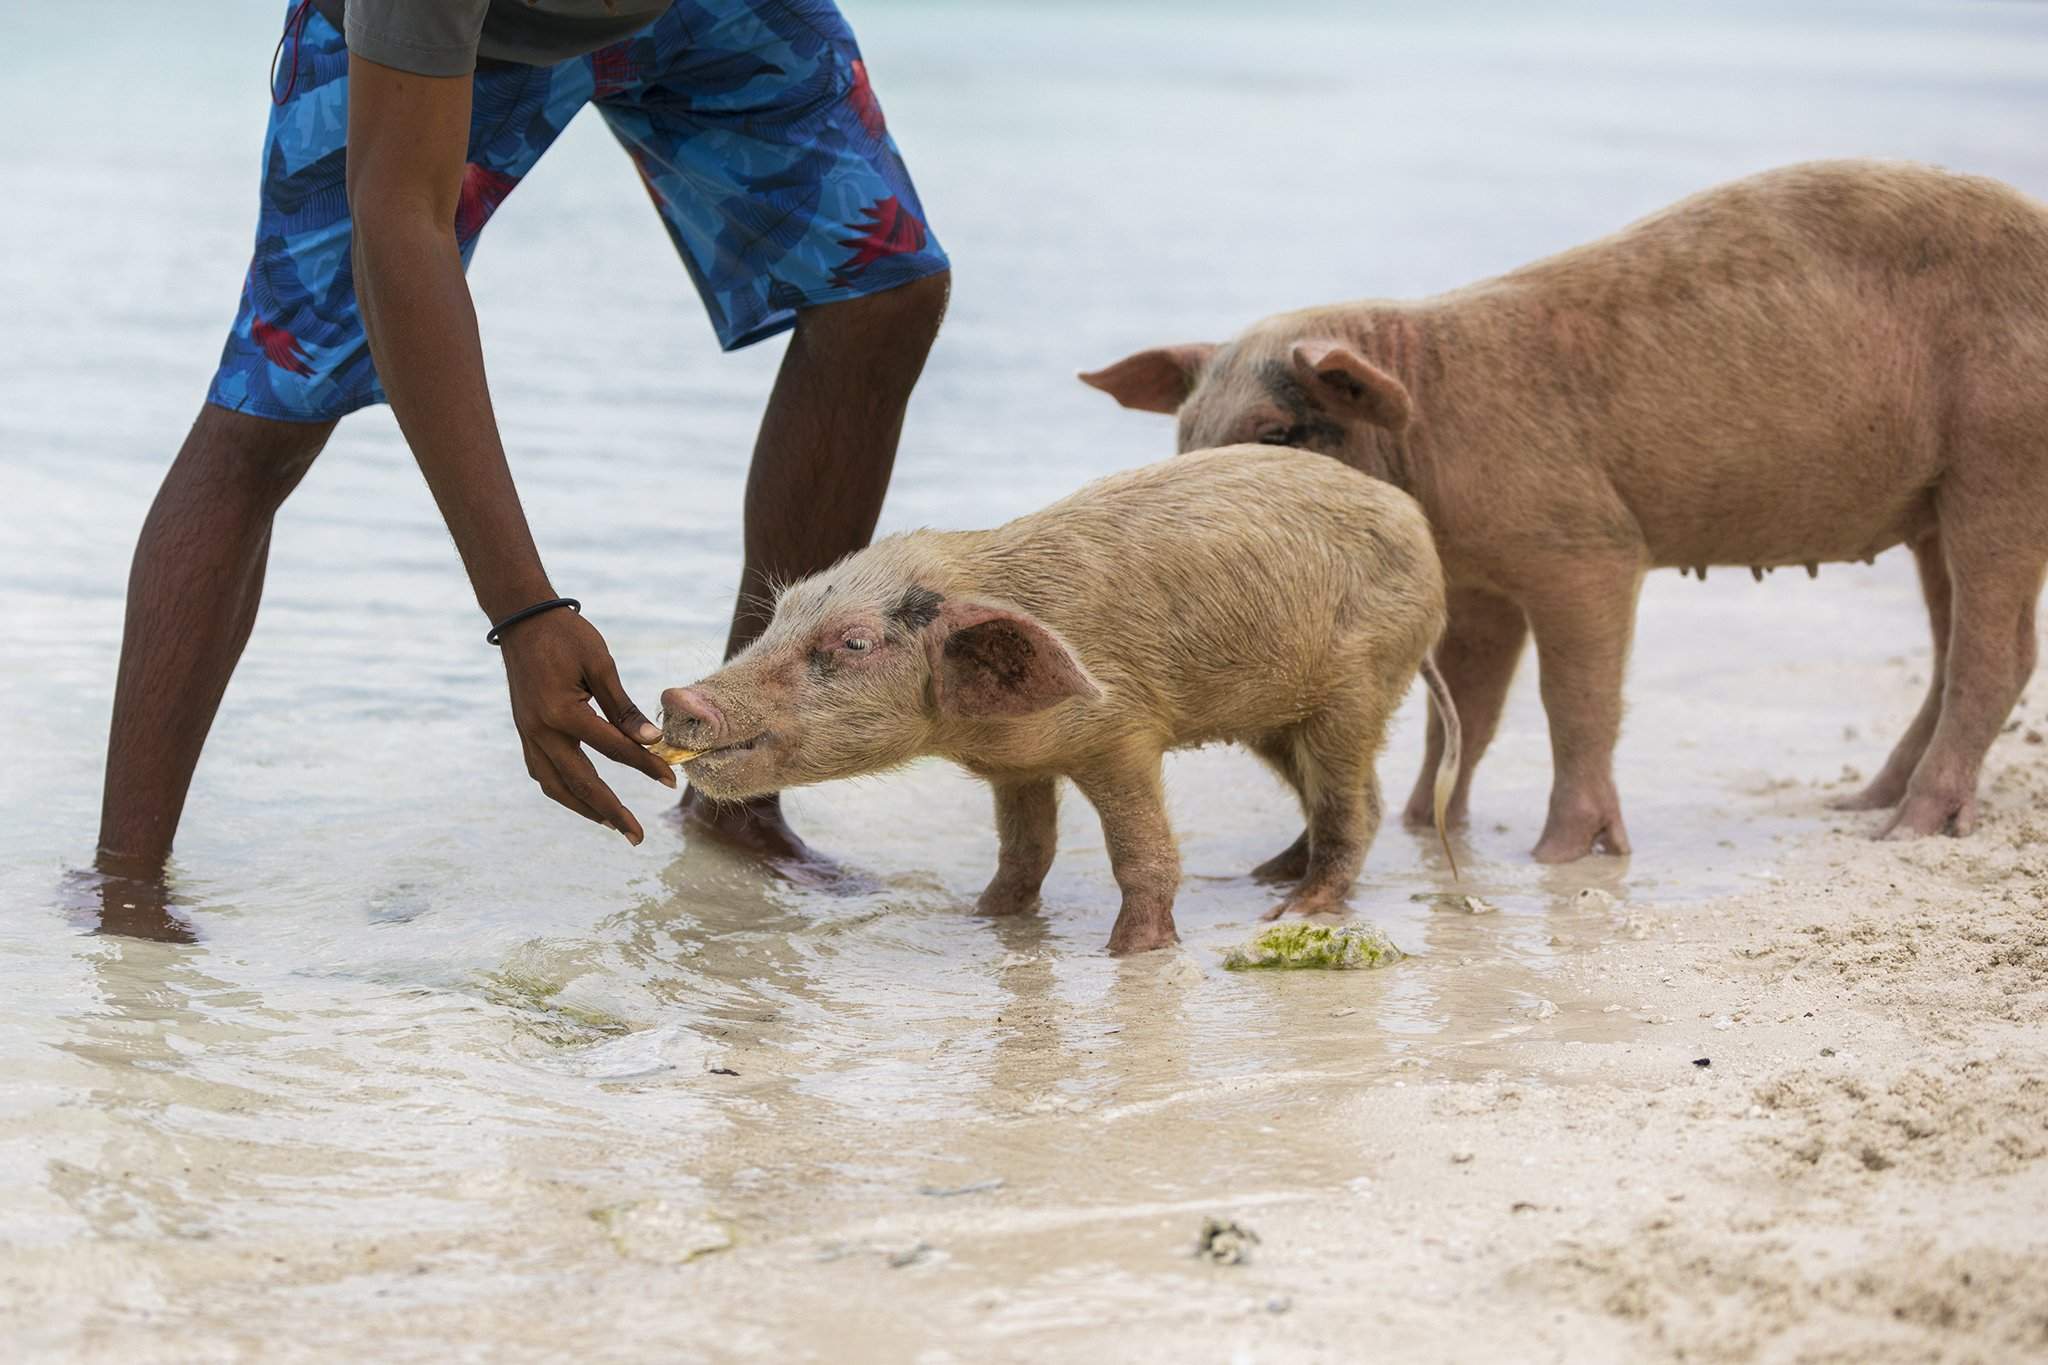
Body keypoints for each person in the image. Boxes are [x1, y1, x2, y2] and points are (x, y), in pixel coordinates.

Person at [89, 0, 951, 936]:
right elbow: (400, 226)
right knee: (274, 408)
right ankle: (126, 885)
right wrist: (525, 611)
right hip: (429, 37)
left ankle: (738, 796)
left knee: (884, 289)